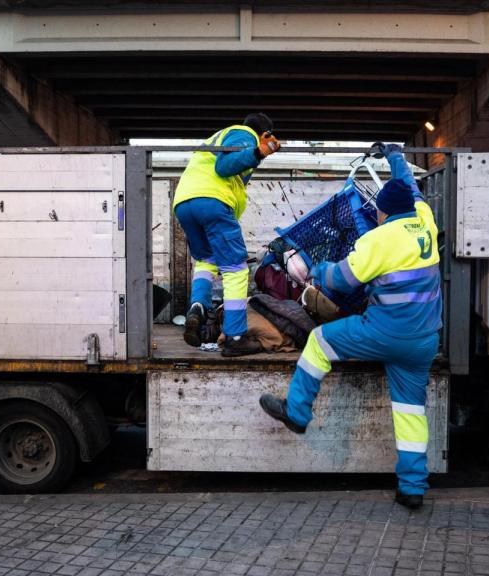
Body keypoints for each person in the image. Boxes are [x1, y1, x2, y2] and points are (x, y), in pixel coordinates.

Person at [258, 142, 441, 510]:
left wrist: (317, 270)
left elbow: (342, 280)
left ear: (383, 212)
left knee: (319, 341)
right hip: (424, 340)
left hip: (385, 333)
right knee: (410, 413)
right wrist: (395, 157)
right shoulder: (425, 220)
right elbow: (410, 187)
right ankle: (412, 488)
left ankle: (297, 412)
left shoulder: (380, 239)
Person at [173, 114, 281, 356]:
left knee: (206, 260)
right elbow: (224, 167)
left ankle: (197, 309)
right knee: (235, 269)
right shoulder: (245, 134)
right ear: (264, 133)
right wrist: (258, 152)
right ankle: (235, 337)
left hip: (185, 204)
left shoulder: (219, 137)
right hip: (212, 202)